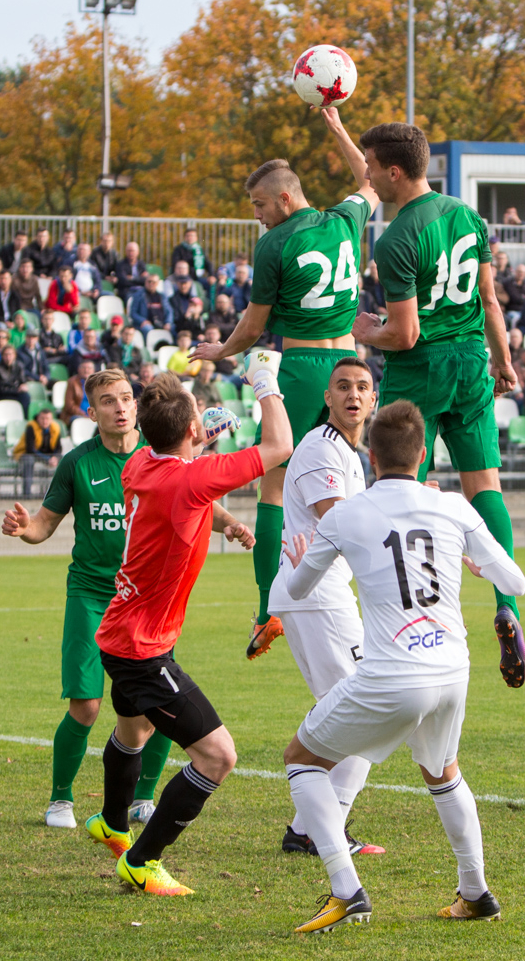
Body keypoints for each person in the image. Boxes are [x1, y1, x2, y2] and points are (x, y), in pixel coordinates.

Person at [279, 400, 525, 932]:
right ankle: (476, 890)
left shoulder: (347, 512)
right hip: (452, 670)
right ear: (424, 455)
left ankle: (346, 890)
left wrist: (298, 564)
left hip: (393, 673)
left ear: (370, 455)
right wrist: (475, 563)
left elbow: (298, 588)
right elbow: (516, 582)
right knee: (442, 771)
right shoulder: (454, 506)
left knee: (301, 759)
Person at [84, 367, 286, 898]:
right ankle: (141, 861)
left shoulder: (141, 462)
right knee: (218, 756)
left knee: (136, 733)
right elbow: (279, 444)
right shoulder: (191, 476)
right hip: (143, 650)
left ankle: (111, 822)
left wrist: (199, 434)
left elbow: (184, 475)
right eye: (197, 416)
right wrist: (266, 381)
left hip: (121, 632)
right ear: (192, 432)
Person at [187, 106, 374, 661]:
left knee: (274, 487)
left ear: (285, 199)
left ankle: (271, 605)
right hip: (353, 374)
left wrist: (222, 350)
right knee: (347, 485)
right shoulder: (344, 220)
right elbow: (368, 179)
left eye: (260, 204)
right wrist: (338, 128)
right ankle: (360, 593)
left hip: (300, 371)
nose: (258, 215)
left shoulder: (274, 244)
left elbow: (253, 322)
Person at [350, 119, 525, 687]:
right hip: (473, 360)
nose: (370, 178)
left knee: (399, 495)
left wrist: (363, 329)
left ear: (395, 171)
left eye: (373, 168)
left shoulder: (397, 238)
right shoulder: (468, 216)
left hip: (419, 372)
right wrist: (503, 362)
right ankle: (508, 605)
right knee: (486, 487)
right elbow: (492, 301)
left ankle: (409, 622)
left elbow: (403, 335)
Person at [0, 369, 177, 830]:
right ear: (90, 411)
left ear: (137, 406)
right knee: (87, 705)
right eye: (107, 401)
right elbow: (44, 525)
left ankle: (143, 797)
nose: (119, 407)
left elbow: (194, 499)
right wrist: (24, 529)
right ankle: (61, 800)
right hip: (91, 594)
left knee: (156, 704)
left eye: (125, 399)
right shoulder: (78, 463)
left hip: (145, 599)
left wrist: (231, 524)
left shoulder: (159, 457)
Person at [262, 358, 388, 857]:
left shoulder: (348, 453)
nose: (353, 395)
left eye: (362, 387)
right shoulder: (319, 447)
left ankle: (309, 828)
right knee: (363, 712)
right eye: (343, 387)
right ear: (328, 397)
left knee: (354, 712)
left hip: (325, 593)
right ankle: (318, 829)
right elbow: (338, 525)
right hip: (315, 594)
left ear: (372, 399)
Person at [15, 408, 62, 496]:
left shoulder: (56, 428)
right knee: (28, 460)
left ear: (51, 420)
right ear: (38, 419)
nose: (45, 421)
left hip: (48, 455)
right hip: (25, 453)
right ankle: (27, 493)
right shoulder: (31, 427)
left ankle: (58, 493)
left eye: (47, 419)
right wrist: (47, 459)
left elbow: (58, 448)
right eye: (42, 418)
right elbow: (30, 449)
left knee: (65, 458)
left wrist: (55, 458)